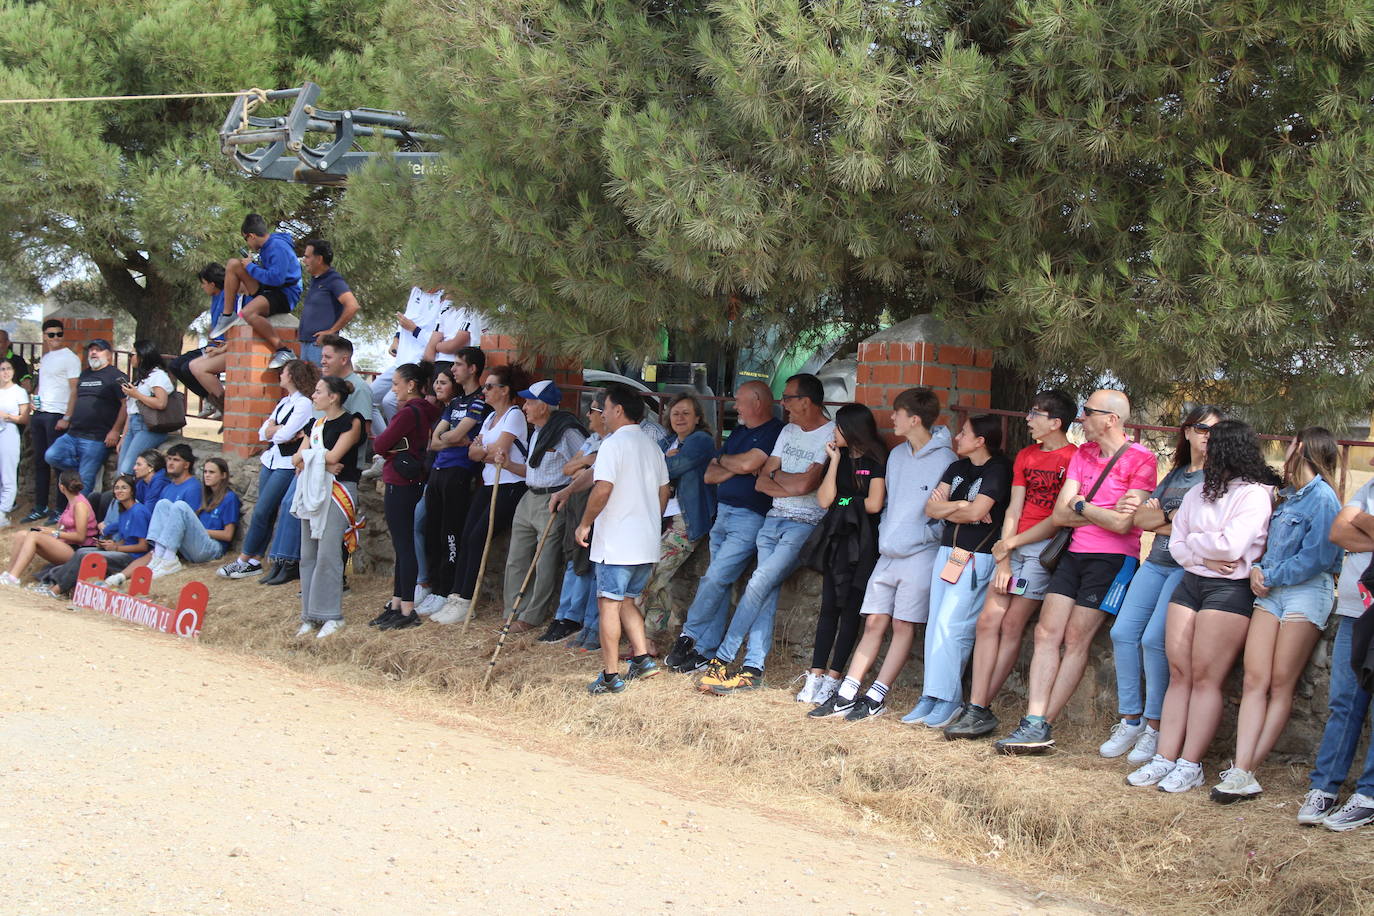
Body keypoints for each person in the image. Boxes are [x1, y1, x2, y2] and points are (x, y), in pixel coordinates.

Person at [996, 389, 1157, 754]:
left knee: (1076, 639)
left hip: (1113, 561)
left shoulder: (1142, 459)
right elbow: (1060, 514)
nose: (1080, 419)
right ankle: (1033, 720)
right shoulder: (1083, 454)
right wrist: (1098, 509)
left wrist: (1082, 504)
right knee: (1046, 633)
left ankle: (1043, 724)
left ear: (1110, 419)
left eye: (1087, 412)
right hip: (1073, 553)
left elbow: (1122, 525)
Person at [1124, 419, 1278, 793]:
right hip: (1193, 582)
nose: (1205, 450)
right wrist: (1203, 555)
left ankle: (1189, 763)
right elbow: (1176, 545)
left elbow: (1231, 548)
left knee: (1206, 676)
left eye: (1213, 444)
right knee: (1180, 672)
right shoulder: (1198, 493)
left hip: (1229, 591)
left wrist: (1194, 541)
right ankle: (1165, 756)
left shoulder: (1254, 494)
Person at [1212, 427, 1343, 803]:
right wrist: (1258, 569)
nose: (1284, 450)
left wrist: (1268, 574)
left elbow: (1318, 557)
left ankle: (1247, 769)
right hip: (1272, 593)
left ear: (1301, 448)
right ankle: (1240, 767)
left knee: (1281, 683)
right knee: (1255, 679)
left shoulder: (1322, 499)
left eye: (1290, 444)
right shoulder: (1285, 497)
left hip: (1304, 593)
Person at [808, 387, 954, 719]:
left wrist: (923, 535)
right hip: (887, 550)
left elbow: (939, 509)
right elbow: (886, 504)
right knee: (873, 620)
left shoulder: (946, 460)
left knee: (903, 625)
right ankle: (846, 692)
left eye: (897, 414)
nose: (891, 418)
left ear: (914, 419)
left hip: (920, 553)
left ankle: (877, 695)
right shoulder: (899, 455)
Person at [945, 390, 1076, 740]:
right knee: (988, 621)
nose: (1029, 419)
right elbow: (1014, 508)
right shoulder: (1027, 455)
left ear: (1055, 422)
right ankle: (976, 706)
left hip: (1042, 548)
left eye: (1035, 414)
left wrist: (1014, 543)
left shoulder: (1073, 458)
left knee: (1012, 623)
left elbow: (1059, 517)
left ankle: (981, 706)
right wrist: (1003, 558)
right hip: (1013, 546)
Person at [1095, 406, 1220, 760]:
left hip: (1185, 567)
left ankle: (1155, 726)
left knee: (1153, 641)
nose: (1207, 435)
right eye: (1200, 428)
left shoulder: (1216, 478)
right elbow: (1142, 518)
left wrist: (1162, 518)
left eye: (1214, 430)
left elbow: (1199, 529)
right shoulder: (1178, 474)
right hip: (1156, 563)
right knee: (1122, 633)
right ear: (1187, 432)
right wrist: (1171, 519)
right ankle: (1130, 719)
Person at [697, 373, 834, 694]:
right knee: (766, 592)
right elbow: (762, 481)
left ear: (807, 400)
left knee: (758, 583)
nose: (782, 404)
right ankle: (753, 668)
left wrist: (779, 475)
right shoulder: (787, 430)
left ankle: (721, 660)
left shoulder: (830, 434)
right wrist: (789, 479)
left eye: (788, 398)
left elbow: (806, 485)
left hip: (803, 525)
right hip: (772, 521)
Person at [900, 414, 1013, 728]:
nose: (957, 438)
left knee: (954, 627)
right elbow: (931, 509)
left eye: (964, 433)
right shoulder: (957, 468)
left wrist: (960, 508)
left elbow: (979, 510)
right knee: (936, 623)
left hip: (976, 557)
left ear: (981, 440)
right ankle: (931, 695)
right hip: (947, 553)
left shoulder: (998, 470)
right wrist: (963, 508)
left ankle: (949, 698)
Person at [663, 381, 784, 673]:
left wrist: (731, 464)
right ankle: (705, 651)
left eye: (739, 402)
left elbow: (748, 464)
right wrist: (735, 464)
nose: (734, 407)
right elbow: (710, 473)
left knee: (714, 579)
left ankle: (689, 635)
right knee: (718, 583)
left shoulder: (774, 431)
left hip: (749, 517)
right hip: (723, 514)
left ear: (756, 402)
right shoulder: (741, 432)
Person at [576, 383, 670, 694]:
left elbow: (602, 489)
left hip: (616, 543)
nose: (601, 414)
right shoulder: (652, 446)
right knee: (628, 600)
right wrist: (649, 520)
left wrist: (585, 523)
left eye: (604, 407)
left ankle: (610, 674)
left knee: (609, 605)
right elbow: (664, 491)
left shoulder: (613, 445)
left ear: (618, 410)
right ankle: (642, 659)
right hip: (645, 543)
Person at [259, 334, 373, 586]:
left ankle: (317, 575)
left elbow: (359, 431)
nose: (322, 360)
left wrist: (321, 460)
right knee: (295, 509)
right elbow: (306, 444)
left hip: (340, 473)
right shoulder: (325, 389)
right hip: (317, 467)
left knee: (331, 531)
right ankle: (284, 561)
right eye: (322, 356)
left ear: (344, 359)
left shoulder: (360, 389)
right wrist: (318, 460)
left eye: (327, 356)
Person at [794, 403, 887, 704]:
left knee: (850, 612)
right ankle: (815, 676)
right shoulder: (840, 456)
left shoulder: (875, 460)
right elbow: (825, 500)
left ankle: (835, 678)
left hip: (862, 544)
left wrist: (846, 502)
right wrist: (833, 461)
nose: (833, 431)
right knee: (828, 609)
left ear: (853, 429)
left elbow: (874, 504)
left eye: (838, 426)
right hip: (837, 540)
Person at [1301, 453, 1374, 830]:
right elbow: (1337, 532)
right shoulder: (1369, 488)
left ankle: (1369, 795)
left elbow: (1349, 526)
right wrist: (1364, 523)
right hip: (1353, 612)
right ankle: (1324, 787)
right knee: (1344, 702)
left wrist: (1357, 520)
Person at [429, 363, 529, 625]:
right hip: (488, 484)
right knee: (465, 535)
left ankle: (465, 600)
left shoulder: (514, 416)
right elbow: (474, 453)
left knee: (477, 538)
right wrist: (483, 451)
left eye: (489, 387)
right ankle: (455, 595)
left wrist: (482, 450)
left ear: (505, 390)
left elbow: (498, 450)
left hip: (508, 486)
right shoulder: (489, 417)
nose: (484, 391)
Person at [490, 379, 586, 634]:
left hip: (552, 500)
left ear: (544, 406)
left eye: (530, 402)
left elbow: (586, 466)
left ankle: (531, 616)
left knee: (544, 561)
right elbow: (532, 472)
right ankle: (512, 611)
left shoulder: (567, 433)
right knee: (517, 558)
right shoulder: (538, 433)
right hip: (529, 497)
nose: (525, 406)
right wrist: (508, 464)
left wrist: (570, 490)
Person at [215, 359, 319, 579]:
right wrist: (278, 430)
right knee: (266, 511)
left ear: (292, 375)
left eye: (284, 371)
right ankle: (255, 559)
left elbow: (281, 436)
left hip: (286, 463)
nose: (280, 374)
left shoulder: (304, 404)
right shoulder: (284, 402)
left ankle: (244, 559)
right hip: (270, 460)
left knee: (262, 510)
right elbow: (263, 433)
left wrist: (278, 431)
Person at [414, 349, 490, 616]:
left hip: (460, 473)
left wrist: (454, 437)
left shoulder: (481, 400)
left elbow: (457, 434)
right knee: (432, 529)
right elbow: (434, 441)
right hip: (438, 470)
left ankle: (445, 590)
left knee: (450, 534)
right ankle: (433, 586)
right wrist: (455, 439)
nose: (453, 369)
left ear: (472, 369)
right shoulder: (456, 402)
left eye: (458, 365)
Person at [367, 362, 440, 631]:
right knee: (403, 544)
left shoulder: (408, 413)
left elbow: (380, 443)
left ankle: (406, 607)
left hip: (400, 479)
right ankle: (397, 602)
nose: (393, 389)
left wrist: (390, 449)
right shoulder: (426, 411)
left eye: (397, 383)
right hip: (412, 477)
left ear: (411, 385)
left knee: (404, 544)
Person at [293, 375, 366, 640]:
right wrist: (321, 462)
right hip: (312, 489)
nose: (313, 396)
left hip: (338, 490)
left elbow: (336, 457)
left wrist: (314, 459)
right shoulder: (315, 424)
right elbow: (296, 458)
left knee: (328, 553)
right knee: (308, 553)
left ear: (333, 396)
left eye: (318, 391)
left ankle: (331, 614)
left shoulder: (352, 421)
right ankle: (310, 615)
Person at [544, 391, 609, 646]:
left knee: (589, 565)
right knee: (574, 558)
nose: (588, 415)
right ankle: (565, 615)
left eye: (592, 410)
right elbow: (568, 468)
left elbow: (594, 471)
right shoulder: (593, 438)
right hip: (578, 503)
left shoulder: (614, 442)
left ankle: (579, 621)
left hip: (597, 506)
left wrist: (587, 465)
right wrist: (588, 464)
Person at [111, 457, 241, 582]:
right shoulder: (207, 496)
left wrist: (199, 530)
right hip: (195, 547)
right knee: (163, 504)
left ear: (223, 475)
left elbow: (228, 535)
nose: (207, 475)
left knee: (180, 506)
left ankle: (169, 560)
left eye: (212, 472)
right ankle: (159, 554)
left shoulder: (229, 498)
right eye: (205, 472)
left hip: (213, 548)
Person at [44, 339, 128, 508]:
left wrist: (115, 431)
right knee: (51, 456)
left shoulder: (116, 376)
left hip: (96, 438)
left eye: (99, 350)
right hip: (73, 434)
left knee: (84, 483)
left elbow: (126, 404)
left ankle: (78, 516)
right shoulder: (85, 374)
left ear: (109, 355)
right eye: (91, 350)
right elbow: (75, 397)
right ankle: (84, 468)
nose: (94, 353)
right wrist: (67, 419)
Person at [213, 213, 303, 370]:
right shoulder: (266, 247)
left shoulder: (277, 246)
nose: (247, 244)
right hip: (269, 288)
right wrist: (250, 267)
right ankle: (227, 315)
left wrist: (251, 267)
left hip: (285, 293)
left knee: (248, 313)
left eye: (245, 239)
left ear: (252, 236)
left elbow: (277, 279)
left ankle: (283, 350)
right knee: (234, 264)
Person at [38, 474, 150, 597]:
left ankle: (56, 590)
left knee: (85, 555)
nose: (119, 491)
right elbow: (127, 540)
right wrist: (109, 545)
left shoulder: (138, 512)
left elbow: (143, 546)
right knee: (81, 552)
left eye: (124, 488)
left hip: (131, 559)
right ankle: (52, 584)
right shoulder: (123, 510)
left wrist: (117, 548)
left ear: (132, 490)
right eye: (117, 488)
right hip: (122, 551)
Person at [368, 286, 447, 460]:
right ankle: (388, 441)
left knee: (390, 401)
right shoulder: (416, 291)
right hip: (399, 361)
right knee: (369, 396)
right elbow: (404, 320)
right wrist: (396, 339)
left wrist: (414, 329)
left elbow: (435, 339)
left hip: (417, 362)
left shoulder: (444, 298)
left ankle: (397, 445)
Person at [24, 318, 81, 523]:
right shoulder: (46, 358)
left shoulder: (70, 358)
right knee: (39, 461)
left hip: (57, 414)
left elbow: (74, 389)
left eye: (59, 334)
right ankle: (40, 506)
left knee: (57, 463)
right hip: (40, 413)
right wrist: (34, 401)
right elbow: (42, 384)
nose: (55, 338)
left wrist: (67, 417)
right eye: (51, 334)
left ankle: (60, 508)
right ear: (45, 336)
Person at [0, 470, 96, 586]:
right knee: (22, 535)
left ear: (61, 487)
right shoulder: (71, 501)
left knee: (34, 536)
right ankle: (8, 573)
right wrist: (47, 532)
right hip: (66, 543)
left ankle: (13, 578)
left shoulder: (80, 505)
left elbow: (80, 537)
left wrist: (55, 533)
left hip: (78, 550)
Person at [171, 263, 236, 416]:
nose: (202, 287)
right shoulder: (215, 297)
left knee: (189, 367)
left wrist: (222, 345)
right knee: (176, 365)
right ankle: (210, 398)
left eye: (204, 283)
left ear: (213, 284)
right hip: (212, 345)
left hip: (224, 346)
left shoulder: (229, 296)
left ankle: (222, 403)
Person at [296, 239, 359, 365]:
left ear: (319, 259)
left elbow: (352, 306)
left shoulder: (333, 279)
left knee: (320, 384)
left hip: (319, 347)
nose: (304, 261)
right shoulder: (316, 280)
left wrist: (331, 331)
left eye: (308, 257)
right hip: (306, 345)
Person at [116, 340, 173, 474]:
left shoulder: (158, 376)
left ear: (143, 356)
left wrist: (136, 394)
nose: (131, 357)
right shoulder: (142, 378)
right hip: (133, 425)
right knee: (120, 471)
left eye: (133, 354)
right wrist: (123, 437)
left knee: (128, 469)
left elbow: (161, 403)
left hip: (148, 426)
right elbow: (131, 411)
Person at [0, 357, 32, 526]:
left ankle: (3, 511)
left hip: (9, 431)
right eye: (2, 369)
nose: (5, 372)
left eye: (8, 368)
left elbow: (25, 418)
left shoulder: (18, 392)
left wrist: (8, 416)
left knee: (8, 473)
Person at [426, 299, 487, 370]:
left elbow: (453, 346)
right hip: (438, 363)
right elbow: (431, 345)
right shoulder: (446, 306)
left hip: (457, 364)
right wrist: (427, 373)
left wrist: (436, 346)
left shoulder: (472, 309)